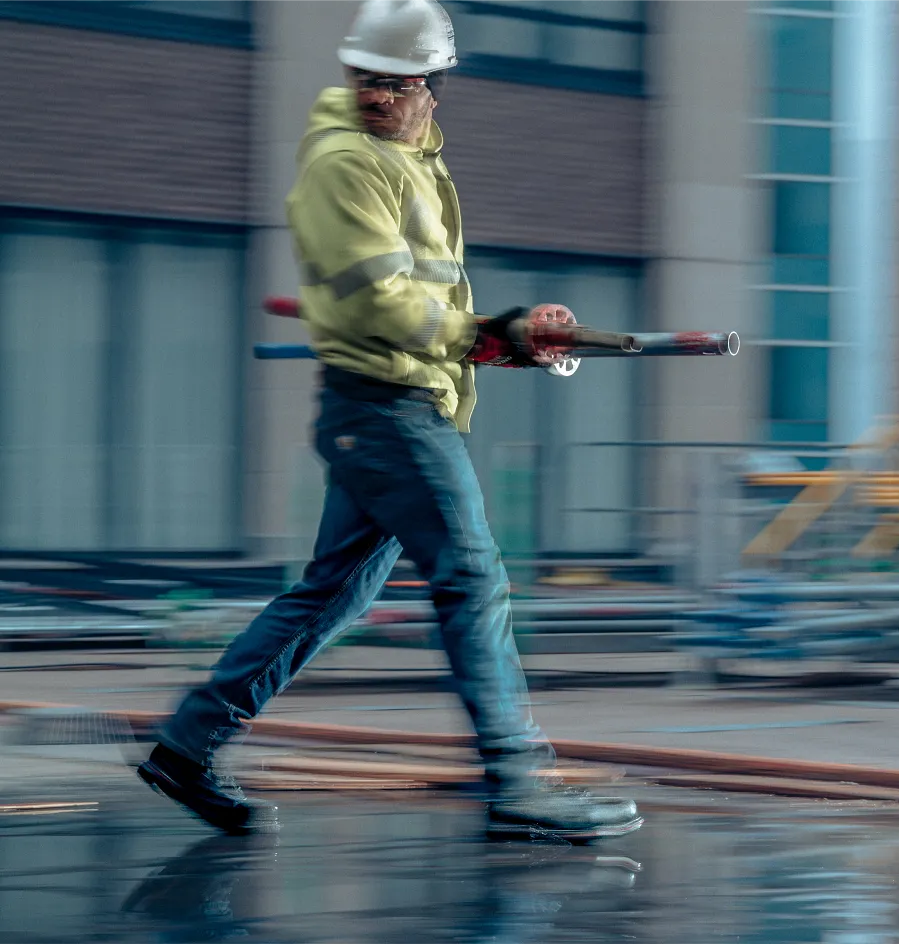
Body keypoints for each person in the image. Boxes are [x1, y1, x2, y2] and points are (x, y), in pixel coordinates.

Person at [138, 0, 642, 842]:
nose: (376, 95)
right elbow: (381, 299)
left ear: (433, 87)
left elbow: (428, 301)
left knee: (331, 594)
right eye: (364, 79)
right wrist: (486, 335)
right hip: (385, 411)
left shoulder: (416, 165)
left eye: (395, 82)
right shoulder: (348, 164)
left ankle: (188, 747)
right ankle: (517, 781)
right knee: (472, 578)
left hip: (392, 403)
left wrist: (504, 338)